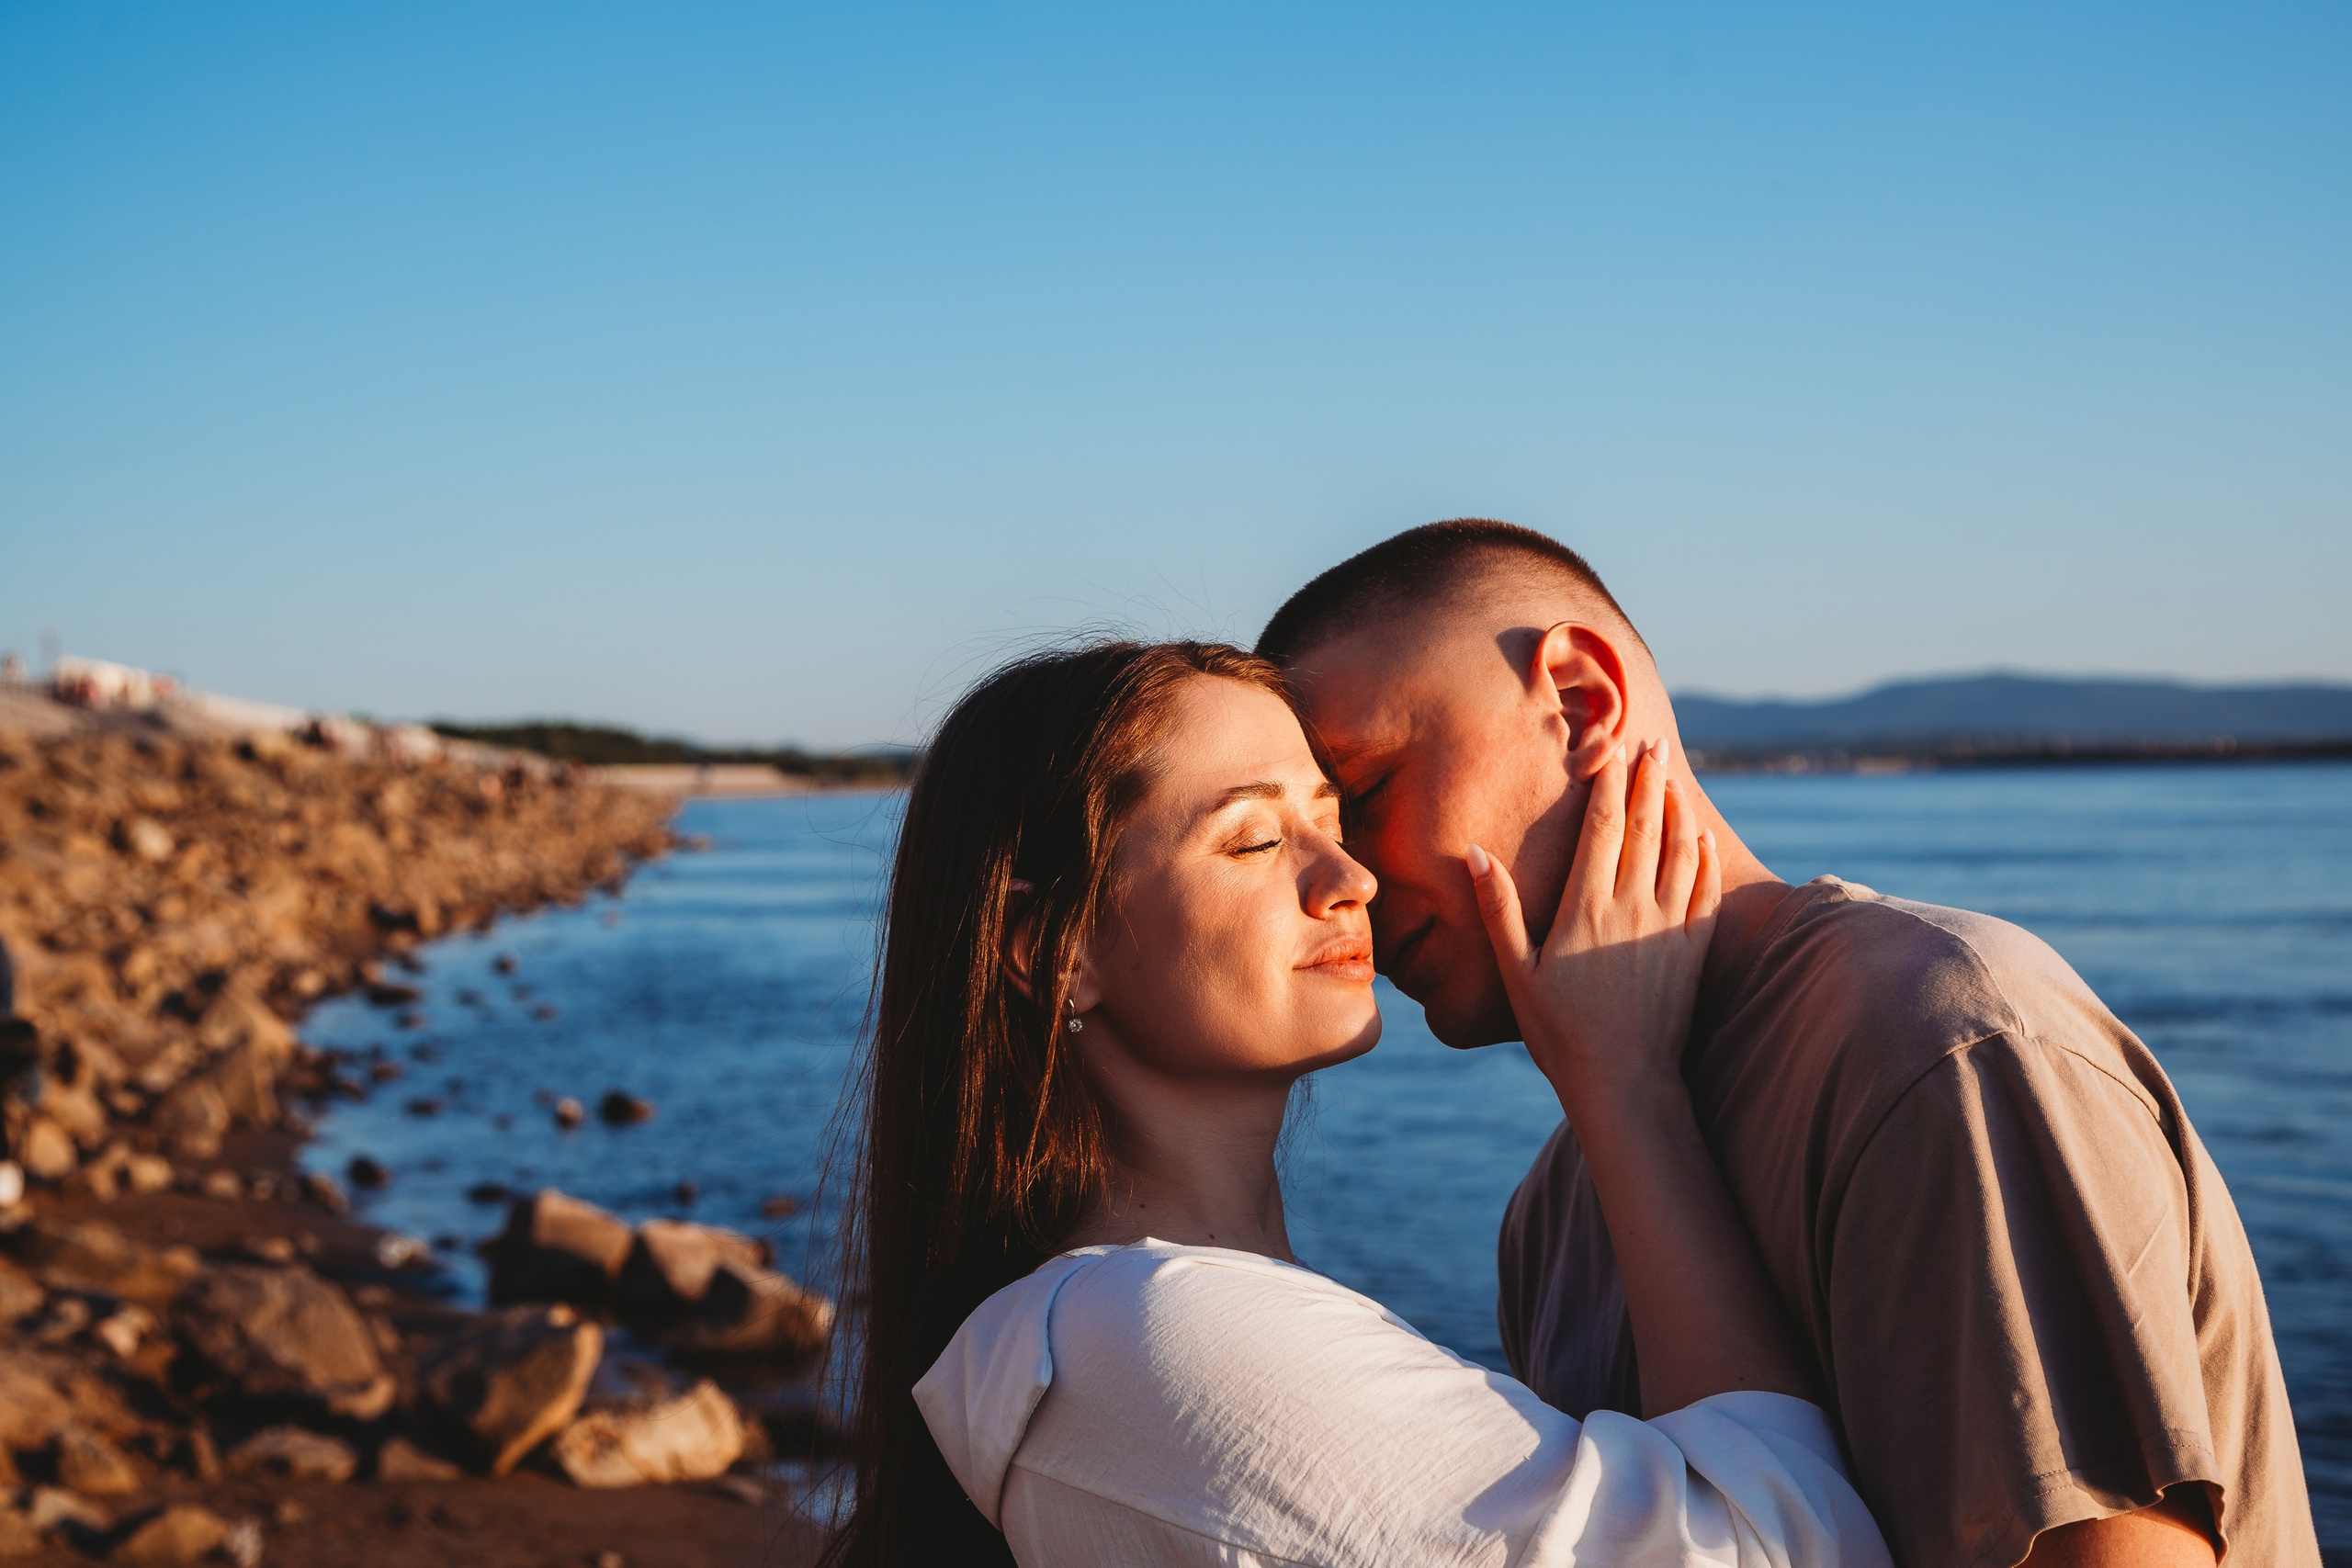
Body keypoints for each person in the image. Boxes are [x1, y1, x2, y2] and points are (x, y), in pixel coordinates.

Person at [1260, 519, 2321, 1568]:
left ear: (1582, 704)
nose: (1340, 879)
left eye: (1361, 792)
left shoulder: (1940, 1041)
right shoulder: (1554, 1207)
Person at [823, 639, 1894, 1567]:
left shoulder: (1127, 1341)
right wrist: (1628, 1087)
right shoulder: (1150, 1338)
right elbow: (1799, 1551)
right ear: (1052, 950)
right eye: (1251, 839)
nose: (1349, 876)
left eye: (1337, 819)